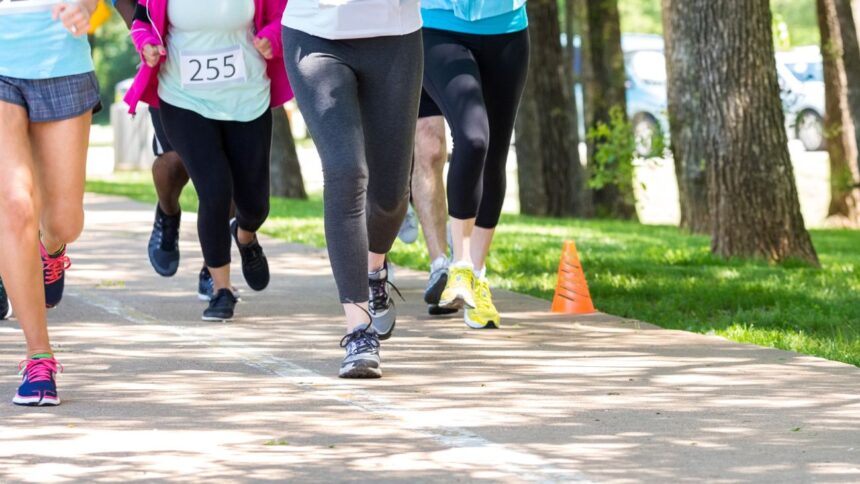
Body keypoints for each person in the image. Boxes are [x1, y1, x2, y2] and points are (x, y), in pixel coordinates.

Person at [125, 0, 292, 321]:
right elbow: (141, 22)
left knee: (255, 206)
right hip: (183, 98)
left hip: (247, 98)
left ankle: (245, 236)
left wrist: (272, 37)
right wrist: (146, 45)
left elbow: (283, 17)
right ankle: (221, 290)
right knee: (215, 191)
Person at [282, 0, 423, 378]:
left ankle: (374, 269)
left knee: (392, 197)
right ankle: (359, 332)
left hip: (394, 39)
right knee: (346, 173)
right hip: (314, 36)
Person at [1, 0, 100, 405]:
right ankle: (38, 355)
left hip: (61, 56)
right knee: (16, 204)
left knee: (63, 221)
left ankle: (51, 247)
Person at [421, 0, 530, 329]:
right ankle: (461, 264)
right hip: (438, 25)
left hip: (507, 27)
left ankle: (477, 278)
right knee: (473, 138)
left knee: (494, 152)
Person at [112, 0, 222, 302]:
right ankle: (168, 213)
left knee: (229, 172)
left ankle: (214, 269)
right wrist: (144, 34)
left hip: (230, 67)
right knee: (175, 162)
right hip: (171, 68)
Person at [412, 91, 458, 316]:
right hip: (377, 59)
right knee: (379, 151)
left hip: (424, 57)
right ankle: (376, 269)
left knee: (431, 147)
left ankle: (440, 266)